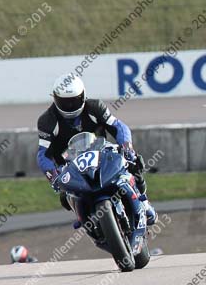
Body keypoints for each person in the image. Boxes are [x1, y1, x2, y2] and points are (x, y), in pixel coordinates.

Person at [36, 74, 156, 226]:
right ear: (55, 98)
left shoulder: (95, 107)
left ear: (83, 95)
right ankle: (84, 218)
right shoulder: (47, 120)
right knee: (65, 198)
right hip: (70, 167)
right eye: (65, 102)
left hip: (101, 155)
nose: (70, 106)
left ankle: (143, 201)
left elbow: (118, 127)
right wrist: (53, 175)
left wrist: (127, 146)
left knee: (134, 162)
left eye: (74, 100)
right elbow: (43, 154)